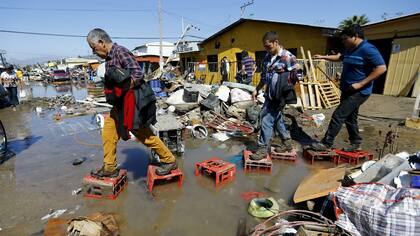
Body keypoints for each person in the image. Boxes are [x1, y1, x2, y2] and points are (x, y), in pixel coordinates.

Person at [86, 28, 177, 177]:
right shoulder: (109, 58)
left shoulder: (120, 52)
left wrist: (121, 88)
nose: (93, 51)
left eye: (93, 47)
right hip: (119, 105)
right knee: (108, 132)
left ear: (101, 43)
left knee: (143, 135)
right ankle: (109, 167)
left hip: (132, 104)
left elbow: (137, 74)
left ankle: (169, 160)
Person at [313, 24, 386, 151]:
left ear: (355, 37)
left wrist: (361, 84)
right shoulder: (350, 48)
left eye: (345, 38)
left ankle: (326, 143)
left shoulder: (368, 49)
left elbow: (381, 68)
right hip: (347, 90)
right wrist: (323, 57)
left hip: (360, 91)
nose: (343, 41)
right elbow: (340, 57)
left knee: (338, 115)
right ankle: (356, 143)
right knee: (350, 118)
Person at [250, 31, 298, 160]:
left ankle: (262, 149)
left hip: (280, 96)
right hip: (269, 95)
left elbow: (298, 76)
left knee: (266, 119)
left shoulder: (288, 57)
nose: (267, 49)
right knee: (276, 118)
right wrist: (257, 89)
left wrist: (287, 88)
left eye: (269, 46)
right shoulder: (267, 57)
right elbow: (264, 77)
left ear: (276, 43)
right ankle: (287, 143)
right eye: (265, 47)